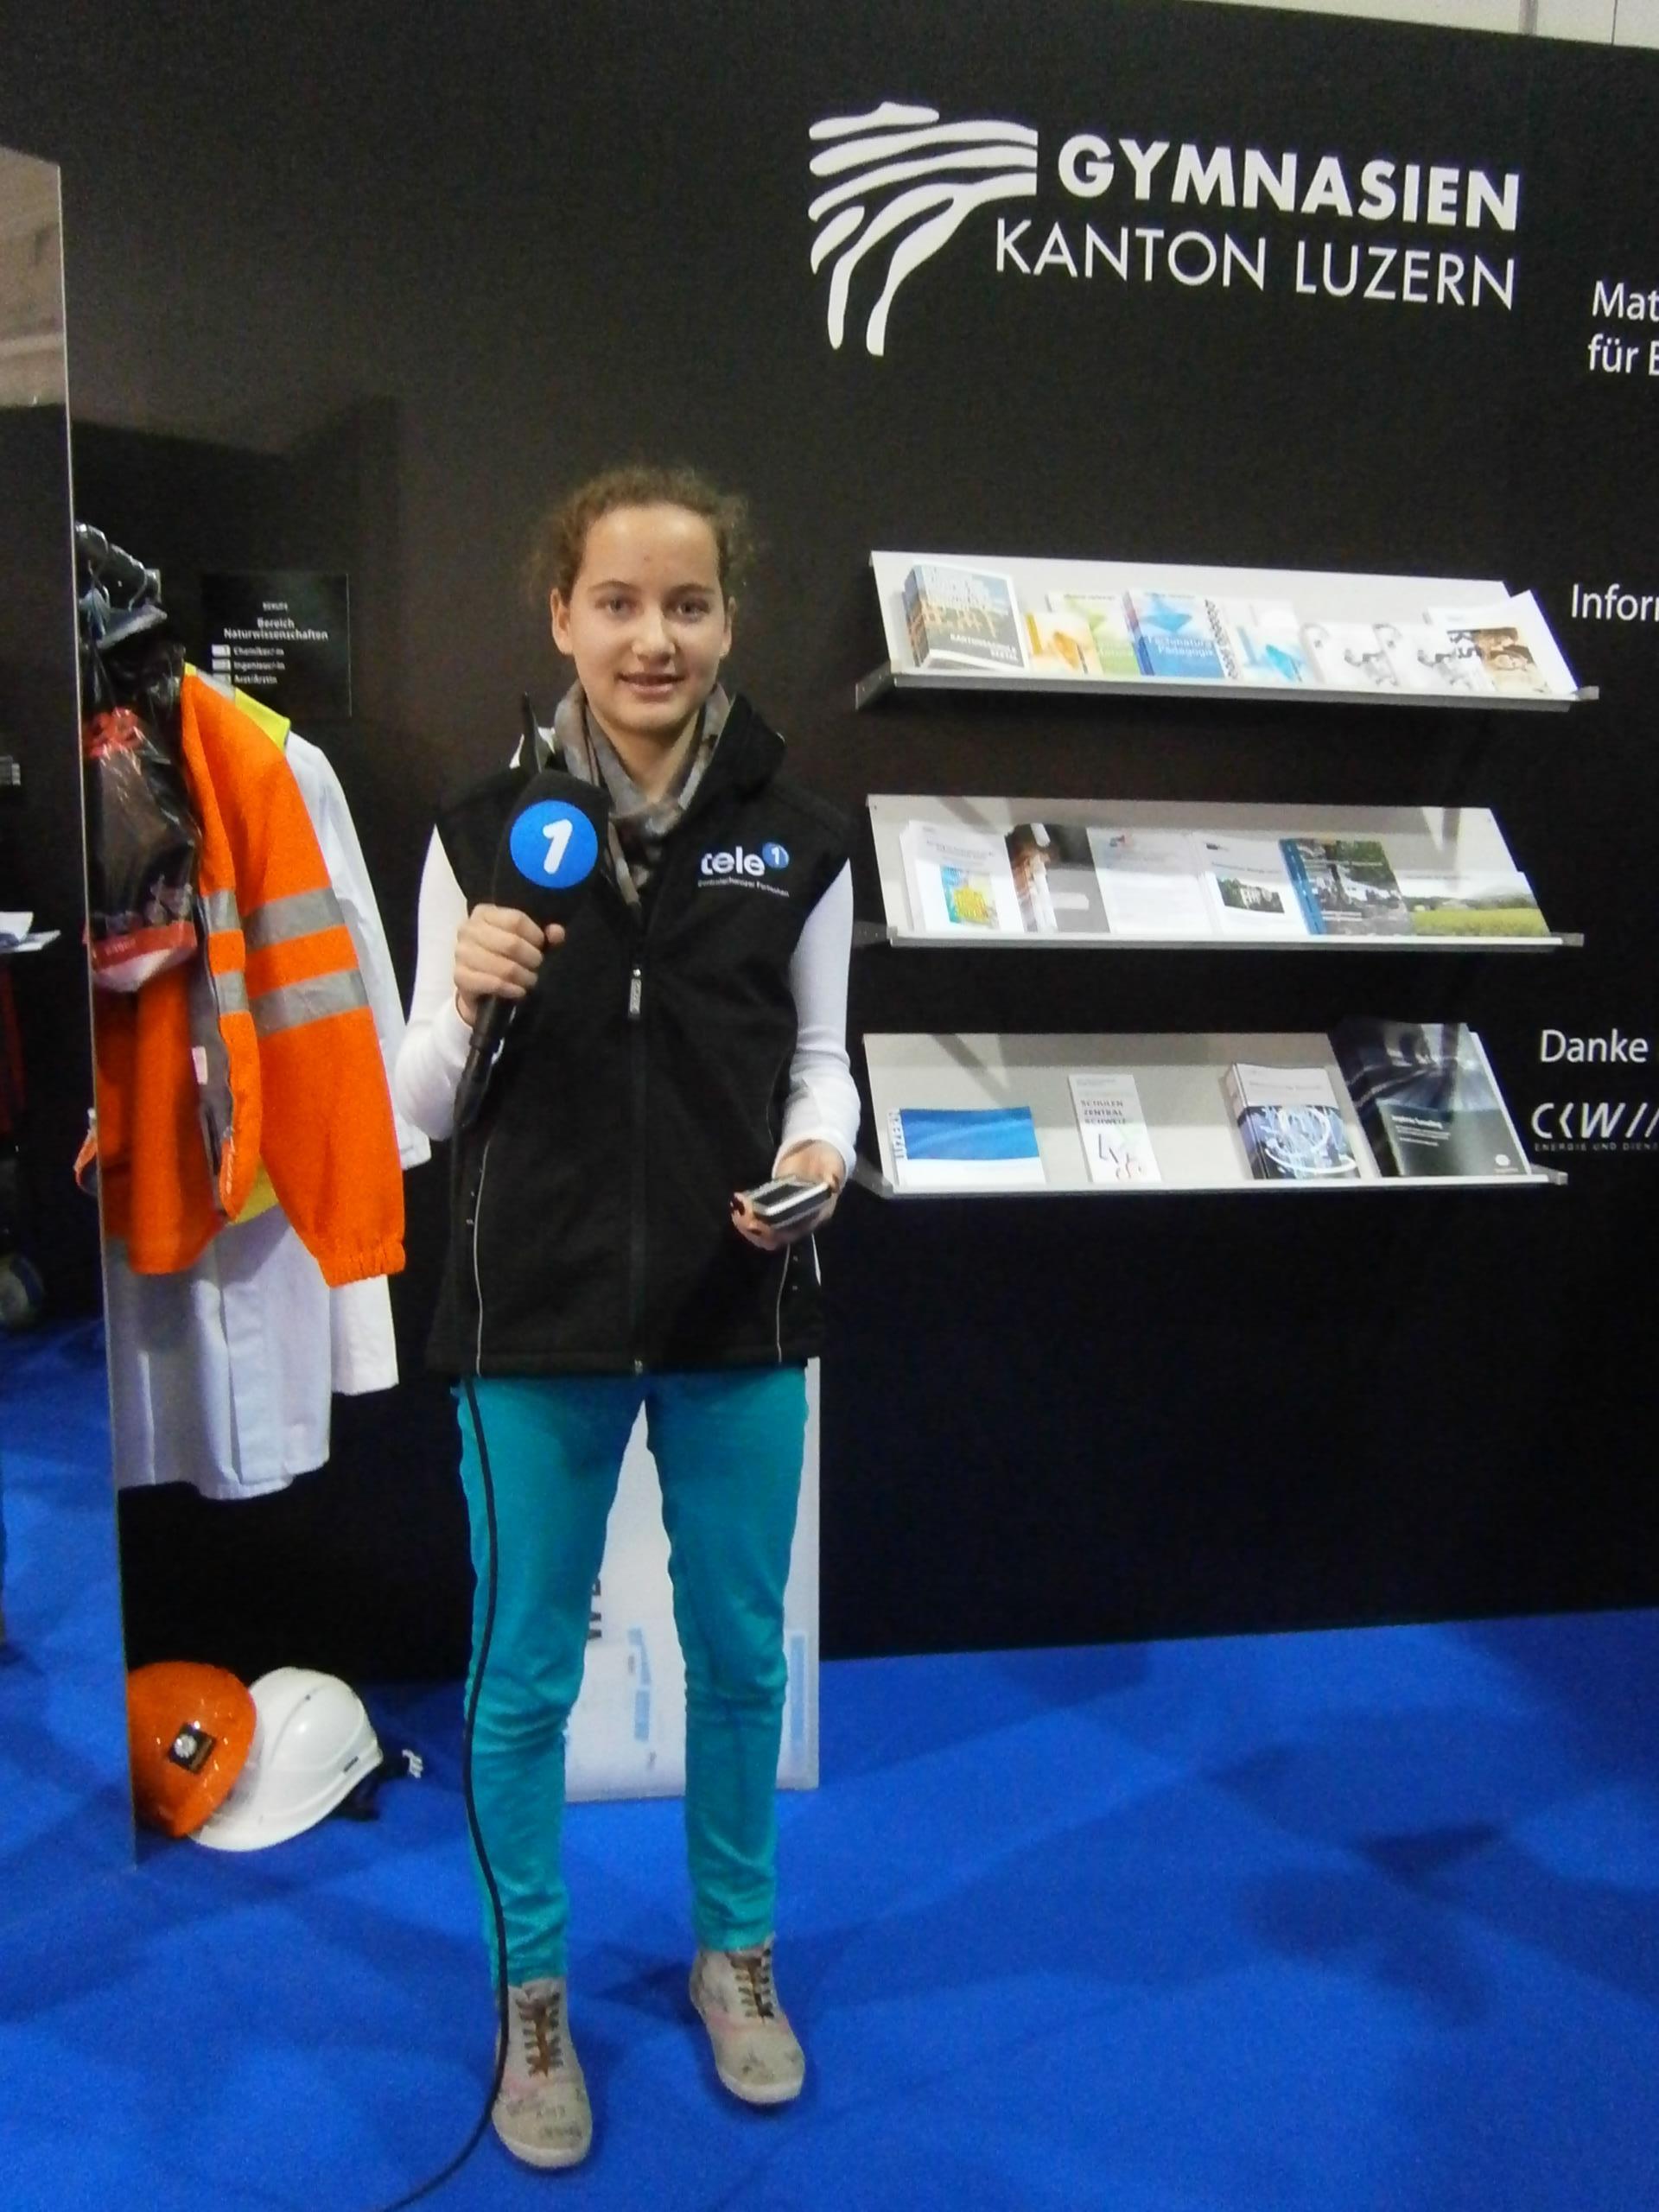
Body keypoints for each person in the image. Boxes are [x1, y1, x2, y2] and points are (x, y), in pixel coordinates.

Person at [393, 464, 858, 2171]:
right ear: (561, 617)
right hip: (534, 1317)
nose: (652, 638)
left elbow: (825, 1066)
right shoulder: (479, 834)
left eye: (687, 604)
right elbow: (419, 1107)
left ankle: (737, 1952)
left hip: (740, 1305)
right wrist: (464, 997)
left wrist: (818, 1158)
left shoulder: (801, 837)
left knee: (742, 1657)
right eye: (617, 603)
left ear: (728, 620)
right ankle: (531, 1996)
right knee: (521, 1678)